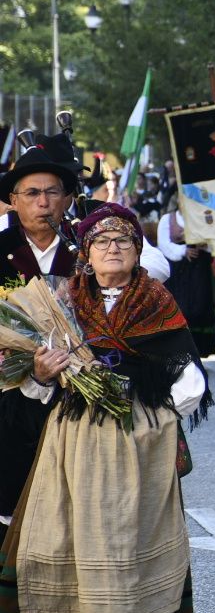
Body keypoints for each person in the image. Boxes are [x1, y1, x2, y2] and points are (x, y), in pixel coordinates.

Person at [0, 203, 209, 613]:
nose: (112, 249)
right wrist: (42, 372)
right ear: (86, 255)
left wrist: (153, 411)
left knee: (128, 539)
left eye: (123, 241)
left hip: (140, 439)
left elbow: (189, 375)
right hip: (74, 436)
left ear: (139, 251)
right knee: (72, 537)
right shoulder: (62, 304)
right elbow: (32, 382)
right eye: (101, 242)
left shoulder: (156, 302)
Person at [0, 132, 88, 525]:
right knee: (13, 496)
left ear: (67, 199)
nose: (43, 202)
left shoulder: (89, 247)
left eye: (53, 192)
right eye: (32, 193)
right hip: (10, 398)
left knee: (78, 501)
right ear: (13, 200)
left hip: (83, 392)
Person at [157, 207, 215, 358]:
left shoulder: (204, 216)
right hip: (179, 271)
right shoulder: (168, 219)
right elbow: (164, 244)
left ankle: (198, 351)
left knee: (200, 307)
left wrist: (205, 244)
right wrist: (184, 250)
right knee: (181, 307)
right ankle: (181, 351)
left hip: (200, 268)